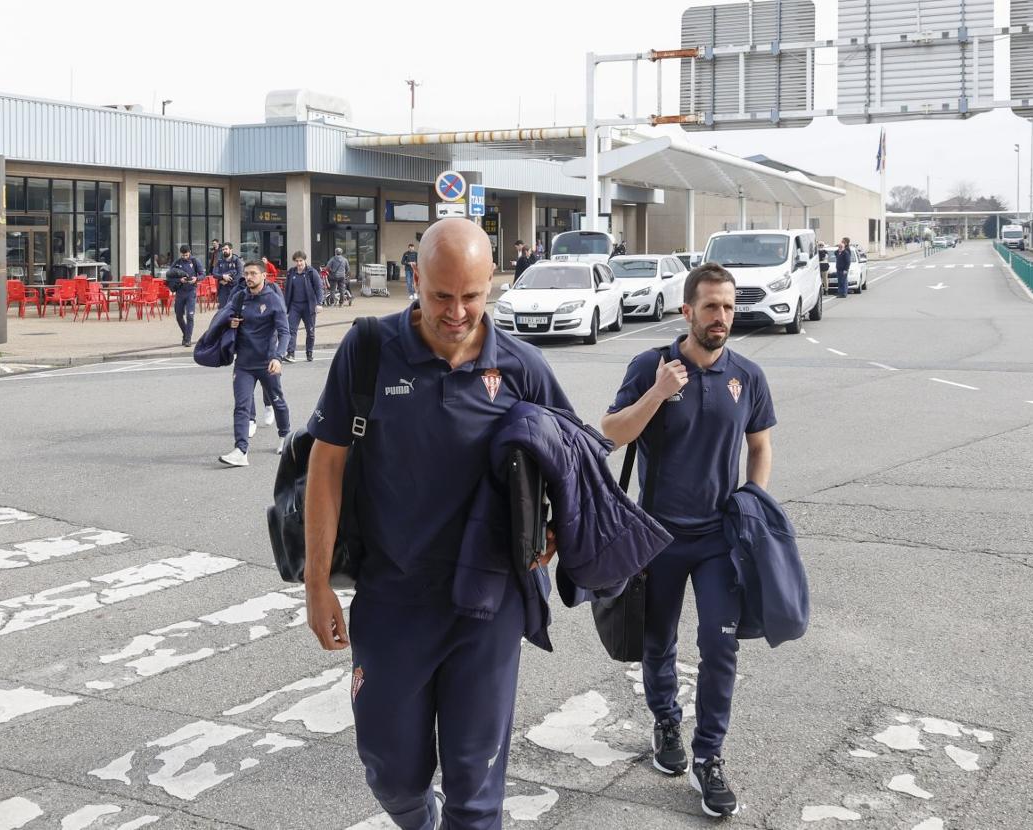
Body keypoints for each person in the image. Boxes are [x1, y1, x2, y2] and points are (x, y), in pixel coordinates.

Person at [303, 218, 573, 830]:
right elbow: (326, 464)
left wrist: (558, 528)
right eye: (441, 295)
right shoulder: (369, 350)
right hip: (392, 599)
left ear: (492, 285)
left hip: (488, 606)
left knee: (476, 791)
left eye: (472, 296)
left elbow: (571, 459)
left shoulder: (524, 369)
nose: (456, 312)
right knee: (390, 772)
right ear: (415, 279)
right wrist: (316, 583)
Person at [600, 263, 775, 819]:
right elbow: (611, 431)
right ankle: (666, 722)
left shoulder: (747, 375)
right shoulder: (649, 366)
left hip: (720, 538)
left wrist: (753, 500)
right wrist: (656, 392)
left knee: (720, 647)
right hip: (658, 537)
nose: (721, 317)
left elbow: (760, 446)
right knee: (658, 642)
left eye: (727, 308)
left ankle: (710, 757)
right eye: (711, 308)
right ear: (687, 312)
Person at [214, 260, 291, 467]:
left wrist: (278, 357)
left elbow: (285, 332)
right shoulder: (239, 297)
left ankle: (285, 436)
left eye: (253, 273)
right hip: (244, 363)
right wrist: (231, 323)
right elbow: (223, 317)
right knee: (241, 406)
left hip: (267, 362)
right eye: (246, 273)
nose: (249, 277)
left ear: (264, 276)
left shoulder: (274, 300)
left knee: (277, 401)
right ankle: (241, 450)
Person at [283, 250, 324, 363]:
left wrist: (319, 303)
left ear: (305, 260)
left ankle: (309, 352)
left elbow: (319, 288)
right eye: (297, 261)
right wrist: (285, 306)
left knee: (310, 331)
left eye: (301, 260)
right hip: (294, 306)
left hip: (308, 306)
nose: (299, 263)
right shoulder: (291, 272)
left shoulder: (312, 272)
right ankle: (290, 353)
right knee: (291, 330)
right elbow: (287, 291)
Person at [165, 244, 205, 346]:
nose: (184, 257)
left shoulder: (195, 261)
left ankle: (188, 339)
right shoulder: (177, 262)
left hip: (191, 291)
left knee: (190, 316)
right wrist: (180, 280)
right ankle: (185, 335)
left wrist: (196, 279)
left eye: (186, 255)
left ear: (189, 252)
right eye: (183, 255)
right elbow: (169, 276)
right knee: (179, 316)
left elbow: (203, 274)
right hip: (180, 292)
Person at [213, 242, 244, 308]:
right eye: (223, 249)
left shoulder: (237, 260)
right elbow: (214, 274)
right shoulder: (219, 261)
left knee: (233, 309)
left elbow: (240, 275)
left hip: (234, 289)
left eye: (226, 249)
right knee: (222, 309)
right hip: (222, 289)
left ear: (231, 250)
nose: (224, 251)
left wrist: (228, 281)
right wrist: (223, 276)